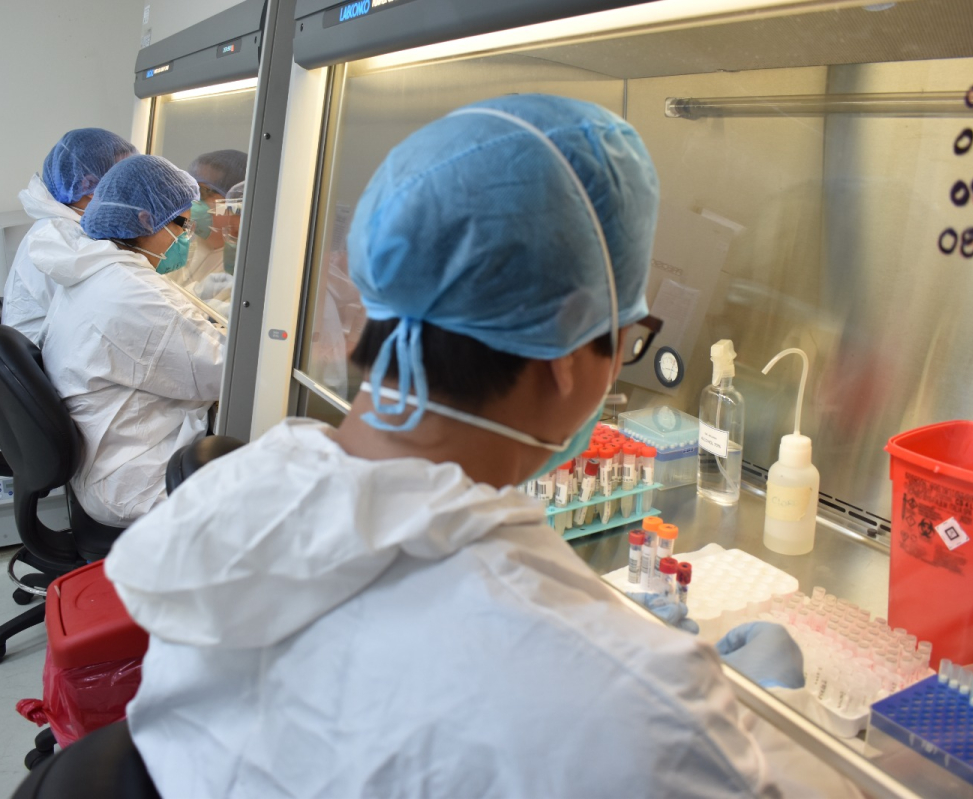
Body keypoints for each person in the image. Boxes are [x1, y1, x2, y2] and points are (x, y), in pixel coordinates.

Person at [104, 96, 857, 797]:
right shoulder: (636, 713)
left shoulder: (230, 508)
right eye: (627, 338)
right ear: (568, 347)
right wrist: (766, 712)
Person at [34, 154, 226, 527]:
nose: (186, 237)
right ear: (145, 220)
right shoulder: (132, 293)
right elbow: (222, 372)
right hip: (137, 481)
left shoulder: (96, 270)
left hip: (107, 458)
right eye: (182, 225)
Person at [1, 128, 136, 344]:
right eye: (124, 180)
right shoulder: (65, 240)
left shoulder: (62, 226)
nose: (132, 190)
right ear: (88, 185)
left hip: (41, 350)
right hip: (44, 357)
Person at [162, 149, 249, 291]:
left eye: (203, 192)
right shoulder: (185, 250)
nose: (192, 201)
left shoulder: (238, 264)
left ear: (235, 203)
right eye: (190, 191)